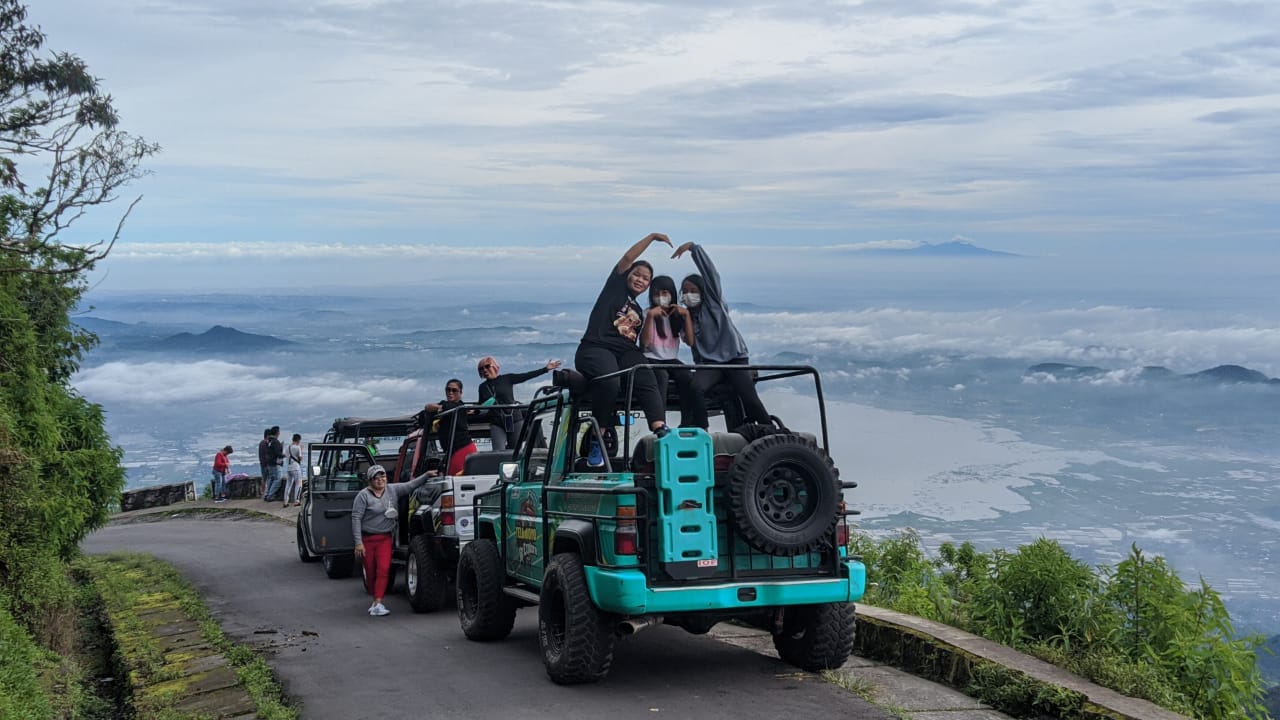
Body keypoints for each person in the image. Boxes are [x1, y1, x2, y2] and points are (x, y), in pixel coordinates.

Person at [574, 232, 672, 465]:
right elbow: (628, 257)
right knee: (610, 381)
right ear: (627, 275)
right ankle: (600, 434)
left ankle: (659, 427)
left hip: (625, 351)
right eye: (637, 274)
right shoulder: (615, 288)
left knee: (645, 373)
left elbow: (641, 343)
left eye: (646, 278)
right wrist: (652, 237)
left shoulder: (638, 308)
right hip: (595, 348)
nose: (640, 279)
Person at [671, 241, 771, 430]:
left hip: (735, 359)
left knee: (748, 397)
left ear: (703, 291)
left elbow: (712, 274)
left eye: (693, 290)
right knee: (695, 388)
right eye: (685, 292)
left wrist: (694, 249)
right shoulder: (686, 317)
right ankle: (702, 429)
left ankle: (772, 431)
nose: (688, 295)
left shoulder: (713, 304)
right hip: (710, 364)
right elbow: (689, 342)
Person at [351, 464, 429, 616]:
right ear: (370, 480)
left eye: (383, 476)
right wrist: (358, 542)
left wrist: (427, 475)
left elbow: (410, 485)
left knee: (384, 569)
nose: (380, 480)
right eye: (376, 477)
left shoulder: (393, 490)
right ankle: (375, 599)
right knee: (371, 571)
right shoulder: (363, 496)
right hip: (367, 539)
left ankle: (378, 602)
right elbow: (356, 518)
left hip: (385, 538)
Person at [476, 356, 563, 451]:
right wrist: (474, 411)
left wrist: (545, 369)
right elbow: (482, 405)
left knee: (514, 450)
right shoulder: (482, 387)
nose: (484, 370)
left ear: (495, 366)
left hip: (514, 419)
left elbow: (526, 376)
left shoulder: (507, 378)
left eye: (487, 366)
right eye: (481, 368)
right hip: (497, 422)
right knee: (498, 450)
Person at [640, 275, 695, 424]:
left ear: (672, 294)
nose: (660, 297)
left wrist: (687, 316)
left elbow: (690, 341)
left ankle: (687, 421)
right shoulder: (647, 313)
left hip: (671, 358)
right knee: (661, 377)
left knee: (687, 377)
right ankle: (660, 422)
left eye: (664, 293)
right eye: (656, 294)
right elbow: (644, 343)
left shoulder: (677, 315)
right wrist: (651, 317)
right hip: (651, 357)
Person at [422, 379, 478, 476]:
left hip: (462, 449)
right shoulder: (446, 405)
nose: (450, 392)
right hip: (451, 451)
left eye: (454, 390)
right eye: (448, 390)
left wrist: (438, 407)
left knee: (455, 480)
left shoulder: (459, 407)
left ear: (460, 393)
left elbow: (439, 407)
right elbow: (427, 408)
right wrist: (437, 408)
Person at [263, 426, 285, 502]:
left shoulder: (270, 442)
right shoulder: (275, 442)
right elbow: (277, 454)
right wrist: (284, 455)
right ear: (277, 433)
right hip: (275, 464)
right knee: (277, 480)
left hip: (269, 464)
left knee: (270, 479)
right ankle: (270, 495)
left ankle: (266, 494)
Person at [283, 433, 303, 507]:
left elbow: (286, 456)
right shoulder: (298, 447)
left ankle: (285, 501)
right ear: (298, 440)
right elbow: (300, 458)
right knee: (299, 483)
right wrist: (301, 449)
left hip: (288, 468)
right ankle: (297, 501)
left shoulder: (287, 447)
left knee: (288, 484)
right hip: (295, 468)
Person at [256, 428, 271, 498]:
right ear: (268, 435)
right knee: (267, 479)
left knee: (264, 479)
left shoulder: (261, 443)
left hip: (262, 464)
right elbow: (267, 454)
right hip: (266, 464)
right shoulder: (265, 443)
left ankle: (263, 493)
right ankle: (265, 493)